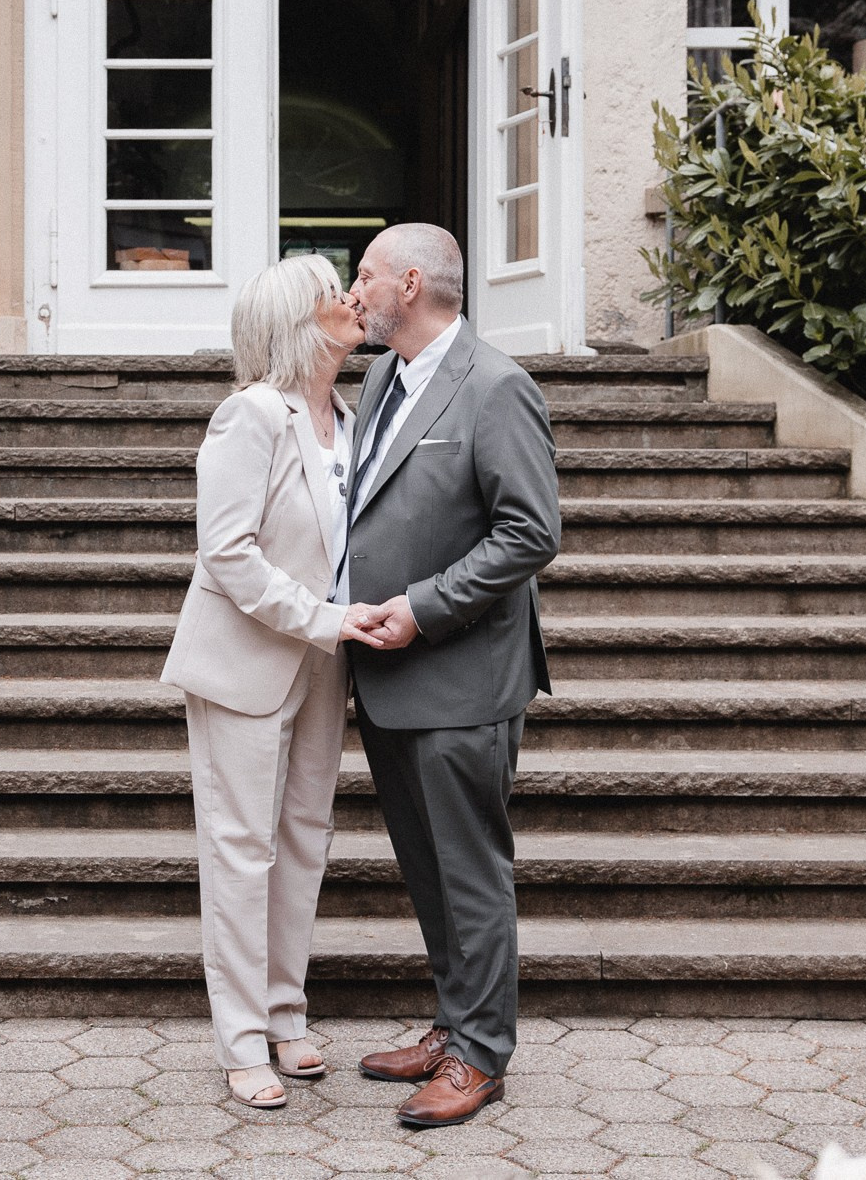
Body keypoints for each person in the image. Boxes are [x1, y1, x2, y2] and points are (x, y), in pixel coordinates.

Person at [340, 222, 562, 1128]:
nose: (354, 290)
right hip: (385, 674)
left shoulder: (499, 385)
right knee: (427, 869)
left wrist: (424, 605)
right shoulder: (383, 374)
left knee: (471, 871)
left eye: (364, 274)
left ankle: (481, 1054)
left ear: (411, 279)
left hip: (462, 672)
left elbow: (529, 532)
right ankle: (452, 1022)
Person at [159, 254, 389, 1110]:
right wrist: (326, 618)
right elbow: (225, 553)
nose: (350, 300)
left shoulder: (355, 418)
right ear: (298, 320)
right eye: (334, 293)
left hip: (323, 665)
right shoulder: (249, 416)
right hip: (246, 659)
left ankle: (288, 1015)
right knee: (241, 848)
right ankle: (242, 1037)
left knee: (303, 840)